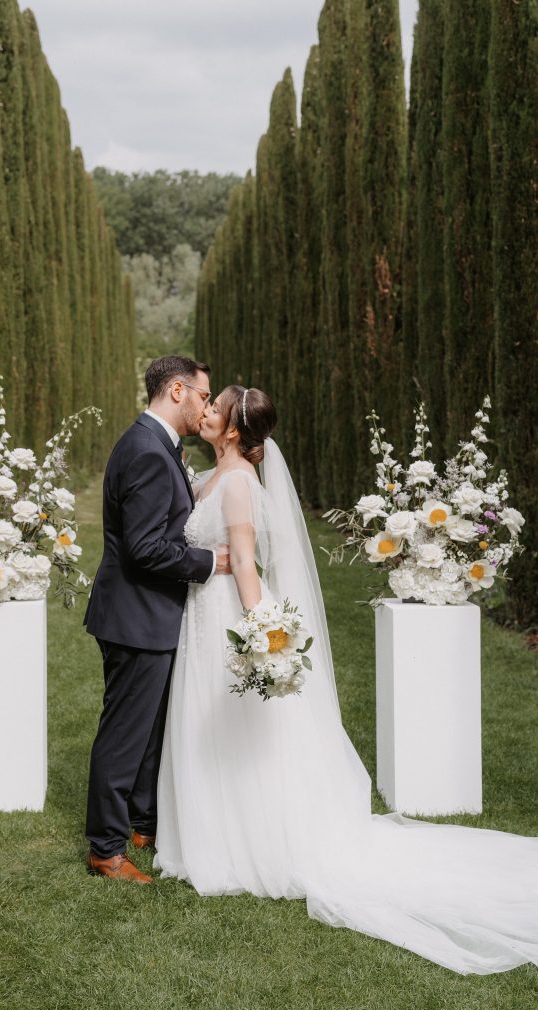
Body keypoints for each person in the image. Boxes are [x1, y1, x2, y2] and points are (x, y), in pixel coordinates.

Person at [154, 383, 538, 976]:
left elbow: (247, 565)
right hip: (204, 614)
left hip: (229, 615)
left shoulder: (234, 485)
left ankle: (239, 844)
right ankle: (210, 832)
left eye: (216, 406)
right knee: (217, 726)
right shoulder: (213, 475)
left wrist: (262, 636)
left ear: (232, 430)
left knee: (234, 727)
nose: (204, 410)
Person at [83, 356, 230, 883]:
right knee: (124, 736)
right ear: (176, 390)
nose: (207, 405)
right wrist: (213, 563)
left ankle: (143, 823)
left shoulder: (155, 445)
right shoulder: (146, 450)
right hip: (135, 617)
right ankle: (106, 850)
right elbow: (146, 549)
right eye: (203, 395)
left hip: (147, 615)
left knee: (149, 732)